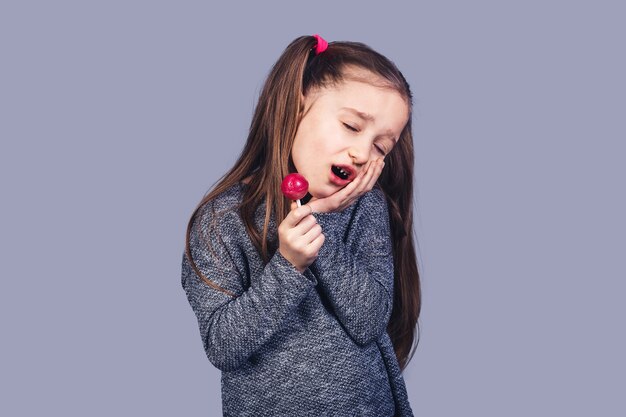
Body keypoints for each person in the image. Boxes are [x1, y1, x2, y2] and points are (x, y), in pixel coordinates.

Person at [181, 34, 421, 417]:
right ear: (297, 106)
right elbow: (224, 346)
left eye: (381, 148)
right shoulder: (222, 220)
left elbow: (369, 320)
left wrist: (320, 219)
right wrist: (289, 265)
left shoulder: (366, 207)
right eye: (351, 126)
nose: (362, 153)